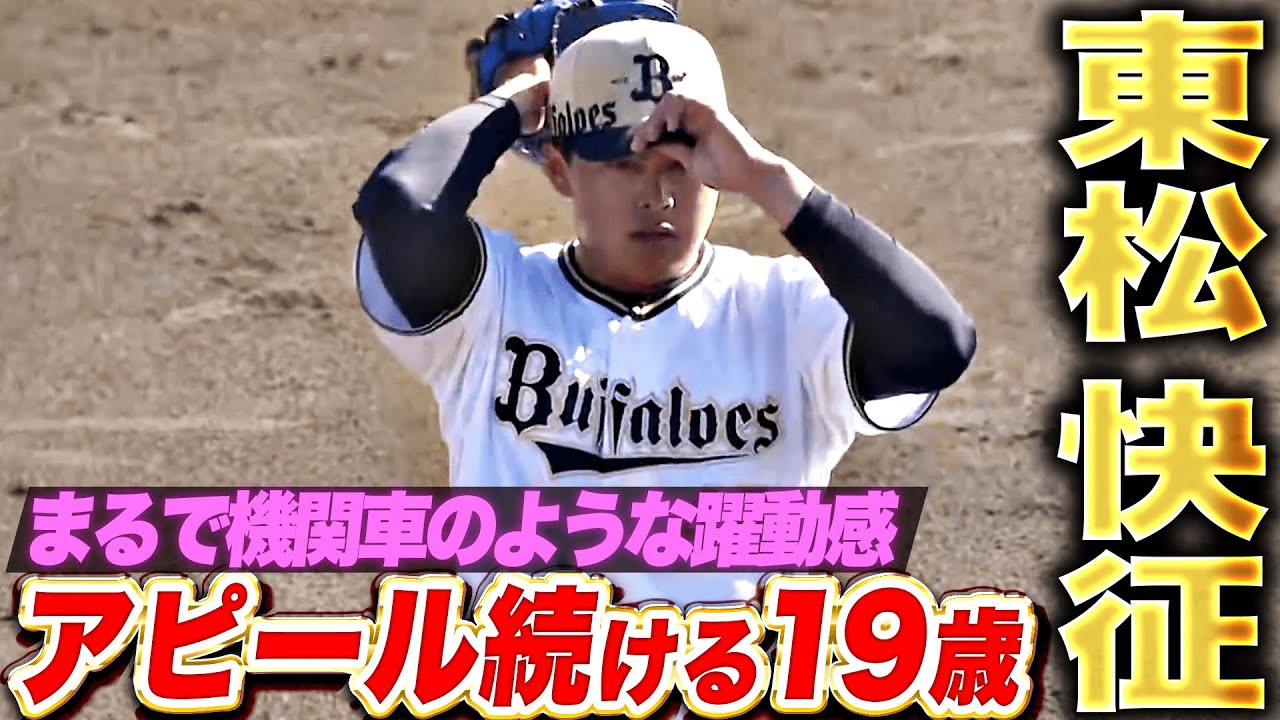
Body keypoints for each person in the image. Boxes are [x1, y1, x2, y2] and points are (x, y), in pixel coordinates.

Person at [351, 11, 974, 633]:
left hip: (728, 675)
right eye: (623, 166)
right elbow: (398, 205)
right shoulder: (494, 302)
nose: (656, 196)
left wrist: (770, 179)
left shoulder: (786, 309)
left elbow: (936, 344)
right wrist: (518, 100)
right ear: (560, 169)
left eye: (680, 164)